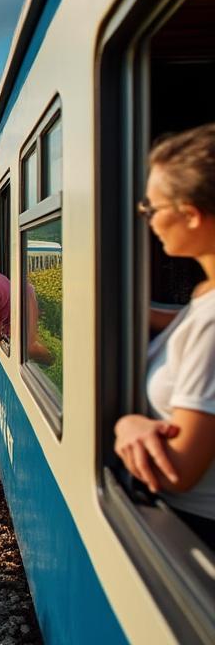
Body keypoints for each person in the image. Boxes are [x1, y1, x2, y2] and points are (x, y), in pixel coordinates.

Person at [115, 123, 215, 544]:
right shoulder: (203, 296)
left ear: (190, 214)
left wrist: (129, 425)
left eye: (152, 208)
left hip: (195, 533)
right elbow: (184, 329)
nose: (150, 220)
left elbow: (177, 470)